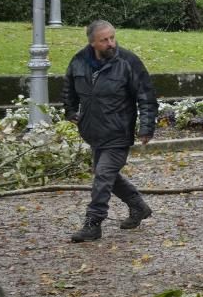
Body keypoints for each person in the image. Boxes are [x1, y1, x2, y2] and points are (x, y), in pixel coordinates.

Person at [63, 19, 158, 243]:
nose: (110, 43)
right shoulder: (78, 61)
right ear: (93, 43)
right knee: (108, 176)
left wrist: (146, 127)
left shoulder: (128, 61)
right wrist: (70, 112)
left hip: (118, 131)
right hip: (93, 130)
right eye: (104, 40)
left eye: (112, 37)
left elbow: (146, 95)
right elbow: (68, 88)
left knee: (103, 174)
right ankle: (138, 206)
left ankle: (92, 224)